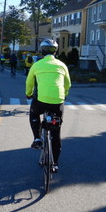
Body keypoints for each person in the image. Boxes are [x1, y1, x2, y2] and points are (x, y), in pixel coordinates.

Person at [25, 39, 71, 172]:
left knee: (34, 113)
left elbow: (29, 83)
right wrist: (64, 94)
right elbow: (67, 84)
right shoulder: (62, 65)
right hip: (58, 101)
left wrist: (29, 94)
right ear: (56, 51)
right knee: (56, 134)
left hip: (41, 100)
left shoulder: (37, 65)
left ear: (42, 51)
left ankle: (37, 138)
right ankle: (55, 163)